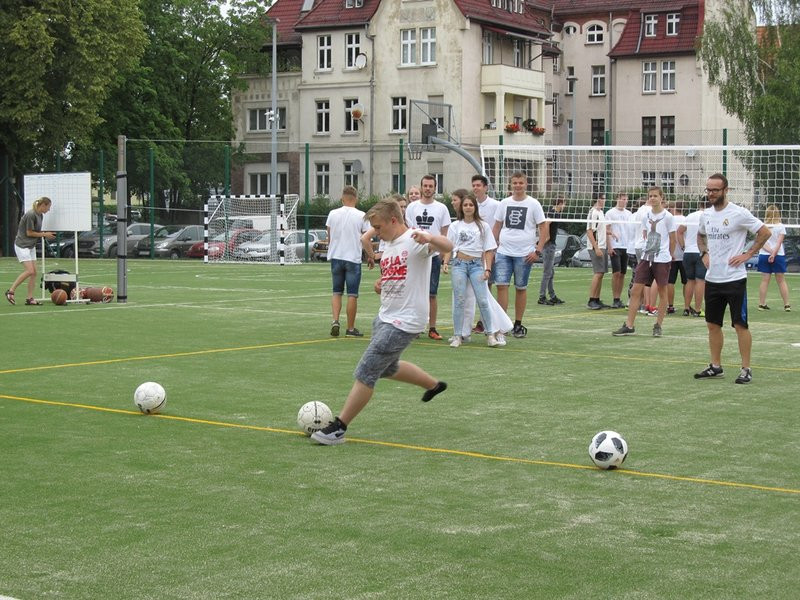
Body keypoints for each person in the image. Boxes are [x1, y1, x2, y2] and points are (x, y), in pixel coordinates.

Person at [311, 198, 452, 445]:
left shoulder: (415, 239)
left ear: (393, 220)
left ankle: (339, 427)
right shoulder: (389, 244)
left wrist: (430, 238)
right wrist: (382, 285)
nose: (375, 233)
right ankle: (433, 385)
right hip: (385, 316)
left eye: (378, 227)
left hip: (405, 321)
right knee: (388, 367)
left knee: (367, 370)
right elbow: (396, 274)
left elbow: (447, 244)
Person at [694, 173, 771, 384]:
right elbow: (700, 236)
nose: (710, 194)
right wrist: (704, 254)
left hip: (735, 279)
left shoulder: (739, 213)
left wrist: (748, 253)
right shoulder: (706, 215)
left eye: (715, 190)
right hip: (713, 280)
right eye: (708, 190)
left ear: (725, 190)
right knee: (712, 324)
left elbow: (764, 233)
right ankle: (715, 366)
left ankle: (746, 368)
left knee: (740, 325)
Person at [612, 187, 676, 337]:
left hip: (662, 259)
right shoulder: (646, 216)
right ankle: (629, 325)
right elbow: (645, 234)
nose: (652, 198)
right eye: (650, 196)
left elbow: (673, 239)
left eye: (655, 196)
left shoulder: (668, 217)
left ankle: (658, 325)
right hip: (647, 258)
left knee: (662, 291)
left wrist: (669, 256)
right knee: (635, 290)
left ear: (661, 198)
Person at [491, 171, 548, 338]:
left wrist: (538, 250)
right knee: (501, 286)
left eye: (520, 183)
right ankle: (503, 324)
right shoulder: (504, 203)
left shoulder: (534, 204)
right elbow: (497, 225)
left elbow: (543, 228)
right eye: (515, 183)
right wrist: (492, 248)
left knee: (520, 288)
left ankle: (518, 323)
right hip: (504, 251)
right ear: (511, 184)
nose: (517, 186)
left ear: (526, 184)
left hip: (524, 253)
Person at [442, 194, 500, 348]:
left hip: (476, 265)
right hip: (459, 264)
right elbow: (449, 246)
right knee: (459, 299)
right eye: (465, 205)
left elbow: (489, 249)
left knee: (482, 300)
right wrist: (446, 262)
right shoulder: (456, 226)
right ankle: (457, 335)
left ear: (475, 207)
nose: (468, 207)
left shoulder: (483, 226)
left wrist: (488, 268)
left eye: (471, 205)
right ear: (462, 208)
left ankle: (490, 334)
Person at [404, 175, 451, 340]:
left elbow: (444, 235)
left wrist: (444, 255)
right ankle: (413, 327)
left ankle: (432, 327)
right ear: (422, 187)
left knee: (431, 294)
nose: (428, 188)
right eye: (425, 186)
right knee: (414, 292)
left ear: (435, 187)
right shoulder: (412, 207)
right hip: (415, 255)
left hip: (434, 256)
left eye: (431, 186)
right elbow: (408, 231)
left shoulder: (442, 208)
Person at [326, 186, 369, 337]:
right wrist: (370, 256)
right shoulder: (361, 215)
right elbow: (365, 238)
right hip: (353, 258)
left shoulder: (332, 214)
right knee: (352, 294)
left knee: (336, 291)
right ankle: (350, 328)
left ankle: (335, 320)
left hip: (336, 257)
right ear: (356, 199)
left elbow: (329, 237)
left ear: (342, 198)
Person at [6, 196, 54, 306]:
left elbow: (36, 231)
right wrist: (45, 234)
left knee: (34, 273)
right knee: (30, 271)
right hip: (22, 246)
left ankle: (30, 298)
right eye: (48, 207)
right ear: (43, 205)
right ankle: (10, 291)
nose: (49, 210)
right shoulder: (31, 214)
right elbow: (29, 233)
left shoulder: (40, 215)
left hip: (30, 246)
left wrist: (45, 233)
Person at [469, 174, 500, 333]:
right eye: (473, 185)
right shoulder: (470, 205)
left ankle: (486, 321)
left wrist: (493, 248)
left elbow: (498, 226)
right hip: (472, 252)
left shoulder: (495, 205)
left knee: (487, 284)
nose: (475, 188)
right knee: (471, 288)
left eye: (478, 185)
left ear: (485, 187)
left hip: (488, 251)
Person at [757, 204, 791, 312]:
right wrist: (774, 253)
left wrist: (771, 252)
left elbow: (760, 242)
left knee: (765, 280)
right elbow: (779, 242)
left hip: (764, 255)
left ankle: (762, 304)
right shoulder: (780, 226)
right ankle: (787, 305)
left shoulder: (762, 226)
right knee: (781, 281)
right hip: (778, 255)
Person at [678, 199, 708, 316]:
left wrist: (683, 246)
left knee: (690, 281)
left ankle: (686, 308)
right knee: (700, 280)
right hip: (701, 252)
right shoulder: (708, 216)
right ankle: (698, 309)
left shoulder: (690, 216)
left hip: (688, 252)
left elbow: (679, 231)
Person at [606, 192, 632, 308]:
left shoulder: (629, 214)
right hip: (615, 246)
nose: (625, 201)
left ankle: (619, 298)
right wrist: (609, 246)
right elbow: (607, 229)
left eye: (626, 199)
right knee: (616, 272)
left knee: (622, 273)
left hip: (626, 246)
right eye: (623, 199)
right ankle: (615, 298)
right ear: (618, 199)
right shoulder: (610, 213)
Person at [538, 197, 566, 306]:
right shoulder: (552, 212)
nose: (564, 207)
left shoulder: (556, 214)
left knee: (551, 272)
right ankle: (542, 296)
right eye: (563, 204)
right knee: (547, 272)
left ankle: (552, 295)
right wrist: (547, 237)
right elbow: (546, 224)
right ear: (559, 204)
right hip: (549, 245)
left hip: (551, 245)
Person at [586, 194, 611, 309]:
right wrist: (596, 248)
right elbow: (590, 231)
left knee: (601, 273)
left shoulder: (601, 212)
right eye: (603, 198)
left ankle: (597, 298)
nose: (604, 201)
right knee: (598, 273)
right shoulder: (593, 212)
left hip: (603, 245)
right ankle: (591, 300)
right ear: (598, 199)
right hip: (596, 247)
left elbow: (601, 229)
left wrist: (610, 233)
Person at [666, 201, 687, 315]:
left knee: (670, 281)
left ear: (674, 208)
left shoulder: (670, 219)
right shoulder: (686, 219)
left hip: (672, 255)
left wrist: (670, 252)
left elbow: (669, 237)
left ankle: (670, 306)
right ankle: (686, 306)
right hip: (684, 255)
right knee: (686, 281)